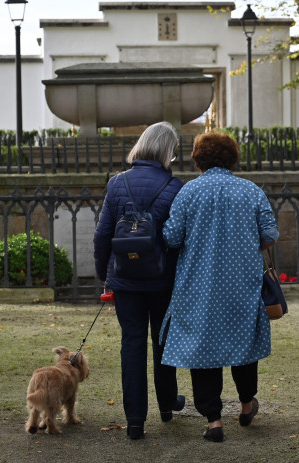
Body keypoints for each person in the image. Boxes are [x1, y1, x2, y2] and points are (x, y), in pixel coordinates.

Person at [159, 131, 279, 442]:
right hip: (242, 282)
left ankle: (213, 421)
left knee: (203, 349)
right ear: (232, 157)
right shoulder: (251, 191)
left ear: (198, 159)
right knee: (244, 344)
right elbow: (269, 234)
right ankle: (245, 403)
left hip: (198, 286)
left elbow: (171, 237)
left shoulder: (188, 193)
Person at [93, 121, 186, 440]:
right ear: (167, 152)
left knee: (131, 344)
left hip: (126, 280)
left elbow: (103, 235)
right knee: (163, 344)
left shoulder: (117, 183)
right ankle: (166, 405)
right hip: (162, 281)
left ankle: (134, 420)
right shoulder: (175, 187)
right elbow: (179, 239)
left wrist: (106, 276)